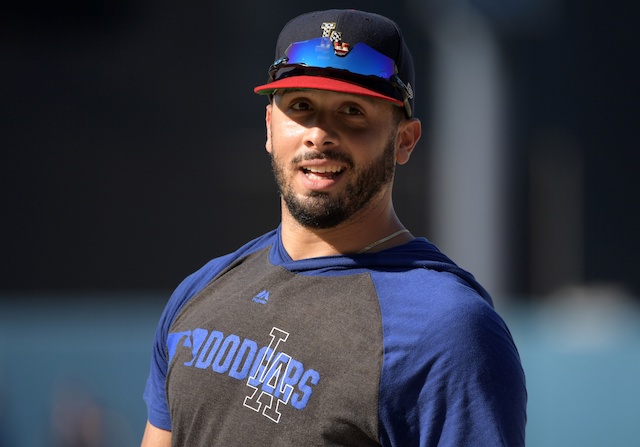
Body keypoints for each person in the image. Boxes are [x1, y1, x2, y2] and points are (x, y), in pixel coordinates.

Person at [141, 8, 527, 447]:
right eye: (301, 106)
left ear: (404, 140)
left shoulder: (449, 330)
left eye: (352, 111)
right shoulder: (201, 291)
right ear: (270, 126)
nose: (319, 134)